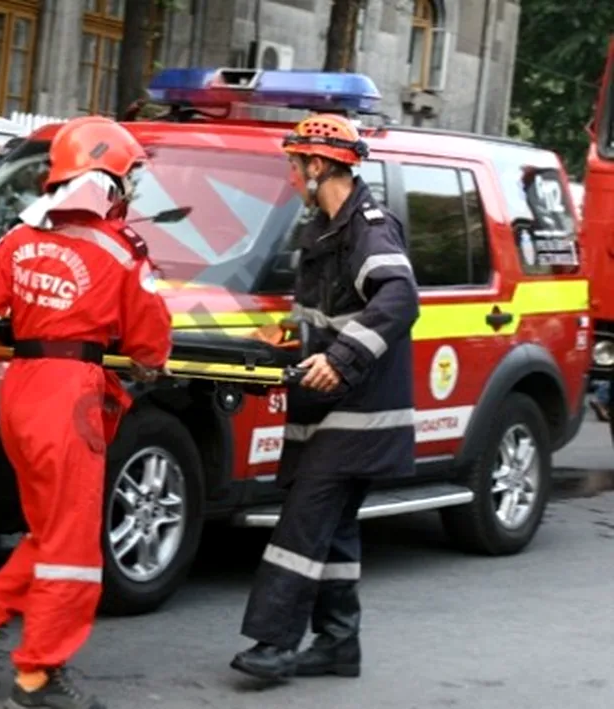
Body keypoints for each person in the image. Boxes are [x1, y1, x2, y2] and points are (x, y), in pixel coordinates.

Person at [0, 116, 172, 709]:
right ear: (107, 181)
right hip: (72, 398)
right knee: (73, 546)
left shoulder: (19, 237)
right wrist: (142, 361)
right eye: (128, 177)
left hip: (22, 390)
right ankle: (37, 673)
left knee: (51, 529)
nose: (131, 189)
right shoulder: (121, 251)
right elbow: (150, 345)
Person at [230, 114, 419, 680]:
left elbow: (399, 298)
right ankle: (338, 644)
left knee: (303, 524)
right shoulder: (323, 230)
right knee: (332, 528)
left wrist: (339, 360)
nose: (289, 176)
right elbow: (326, 316)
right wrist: (288, 337)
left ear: (318, 165)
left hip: (360, 414)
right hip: (330, 412)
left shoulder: (369, 226)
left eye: (294, 164)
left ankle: (274, 643)